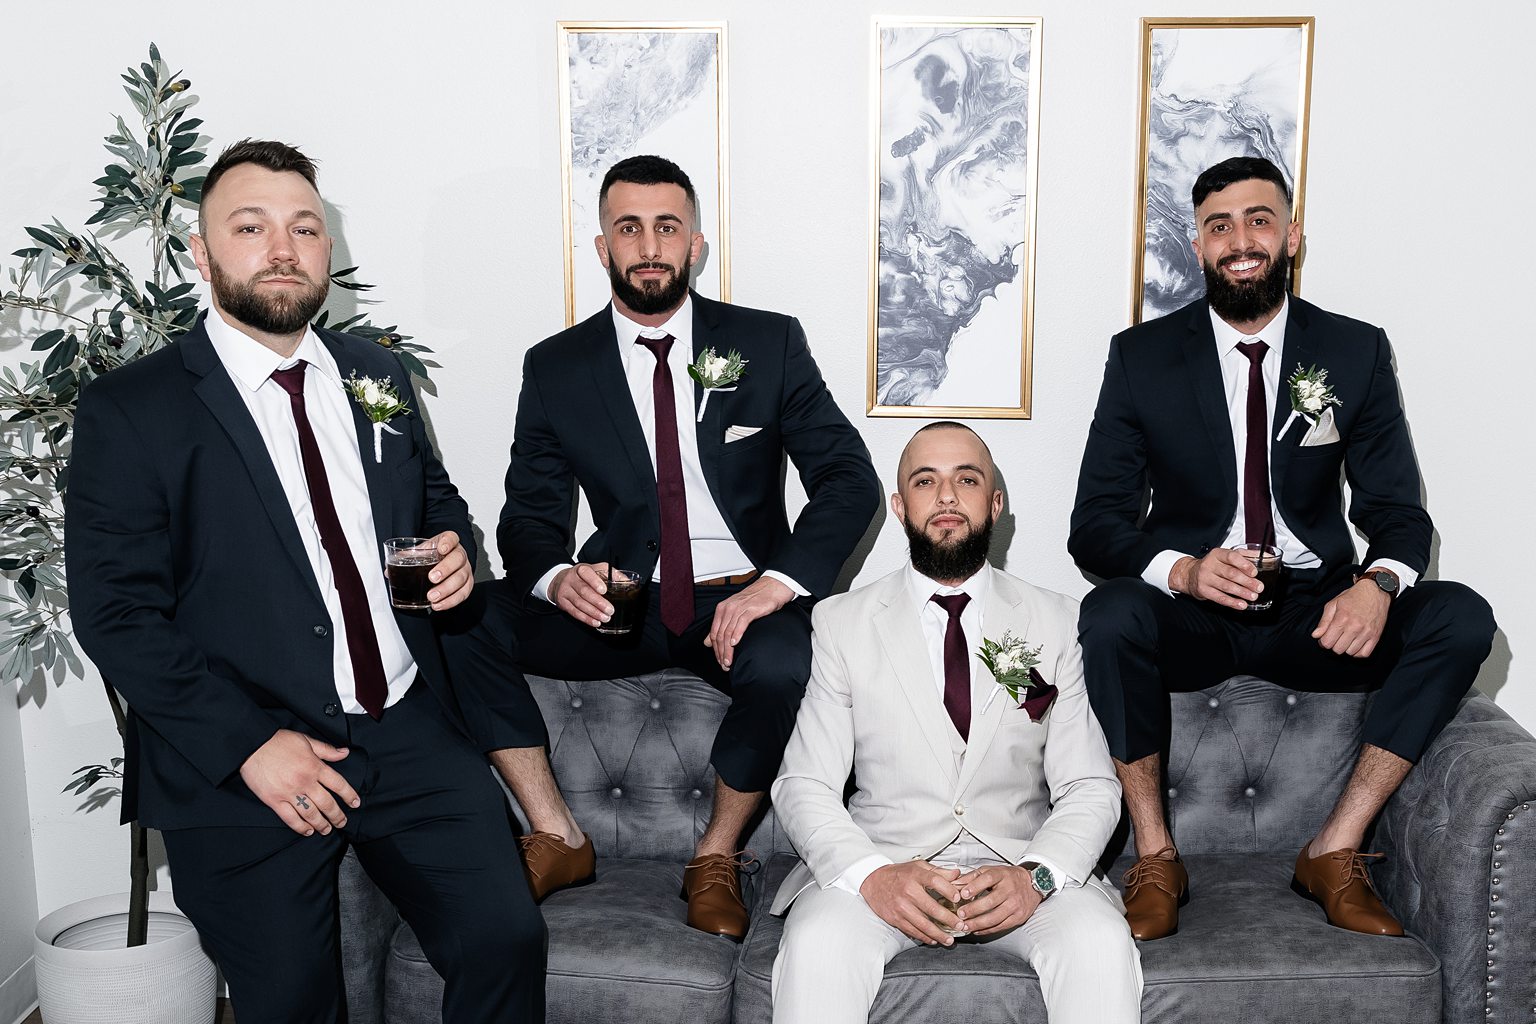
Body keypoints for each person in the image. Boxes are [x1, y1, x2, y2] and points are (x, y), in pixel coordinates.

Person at [65, 140, 545, 1023]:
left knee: (506, 941)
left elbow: (435, 500)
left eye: (304, 228)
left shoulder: (376, 374)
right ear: (202, 255)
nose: (282, 248)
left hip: (407, 727)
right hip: (246, 756)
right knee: (290, 1003)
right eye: (251, 227)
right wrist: (249, 743)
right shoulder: (130, 409)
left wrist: (455, 548)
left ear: (329, 251)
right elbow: (115, 612)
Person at [1069, 155, 1496, 941]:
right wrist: (1187, 571)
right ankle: (1157, 857)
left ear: (1291, 235)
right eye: (1219, 225)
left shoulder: (1355, 350)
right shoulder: (1141, 357)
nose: (1241, 240)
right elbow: (1094, 522)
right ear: (1197, 246)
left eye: (1259, 220)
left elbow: (1399, 512)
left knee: (1462, 615)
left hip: (1313, 614)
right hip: (1194, 615)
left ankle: (1333, 851)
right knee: (1111, 611)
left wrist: (1377, 585)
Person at [477, 154, 881, 939]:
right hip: (622, 600)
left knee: (789, 661)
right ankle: (556, 834)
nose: (650, 245)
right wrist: (559, 577)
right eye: (629, 228)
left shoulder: (768, 342)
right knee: (458, 621)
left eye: (668, 227)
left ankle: (718, 856)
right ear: (602, 247)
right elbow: (526, 517)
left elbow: (848, 480)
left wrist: (781, 583)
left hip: (742, 596)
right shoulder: (555, 367)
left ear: (696, 244)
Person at [769, 422, 1141, 1023]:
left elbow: (1090, 785)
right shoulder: (840, 622)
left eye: (966, 480)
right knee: (818, 947)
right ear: (900, 507)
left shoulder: (1058, 620)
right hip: (884, 864)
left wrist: (1037, 876)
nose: (946, 497)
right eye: (925, 481)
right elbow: (803, 784)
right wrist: (873, 876)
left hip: (1022, 863)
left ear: (995, 504)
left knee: (1098, 943)